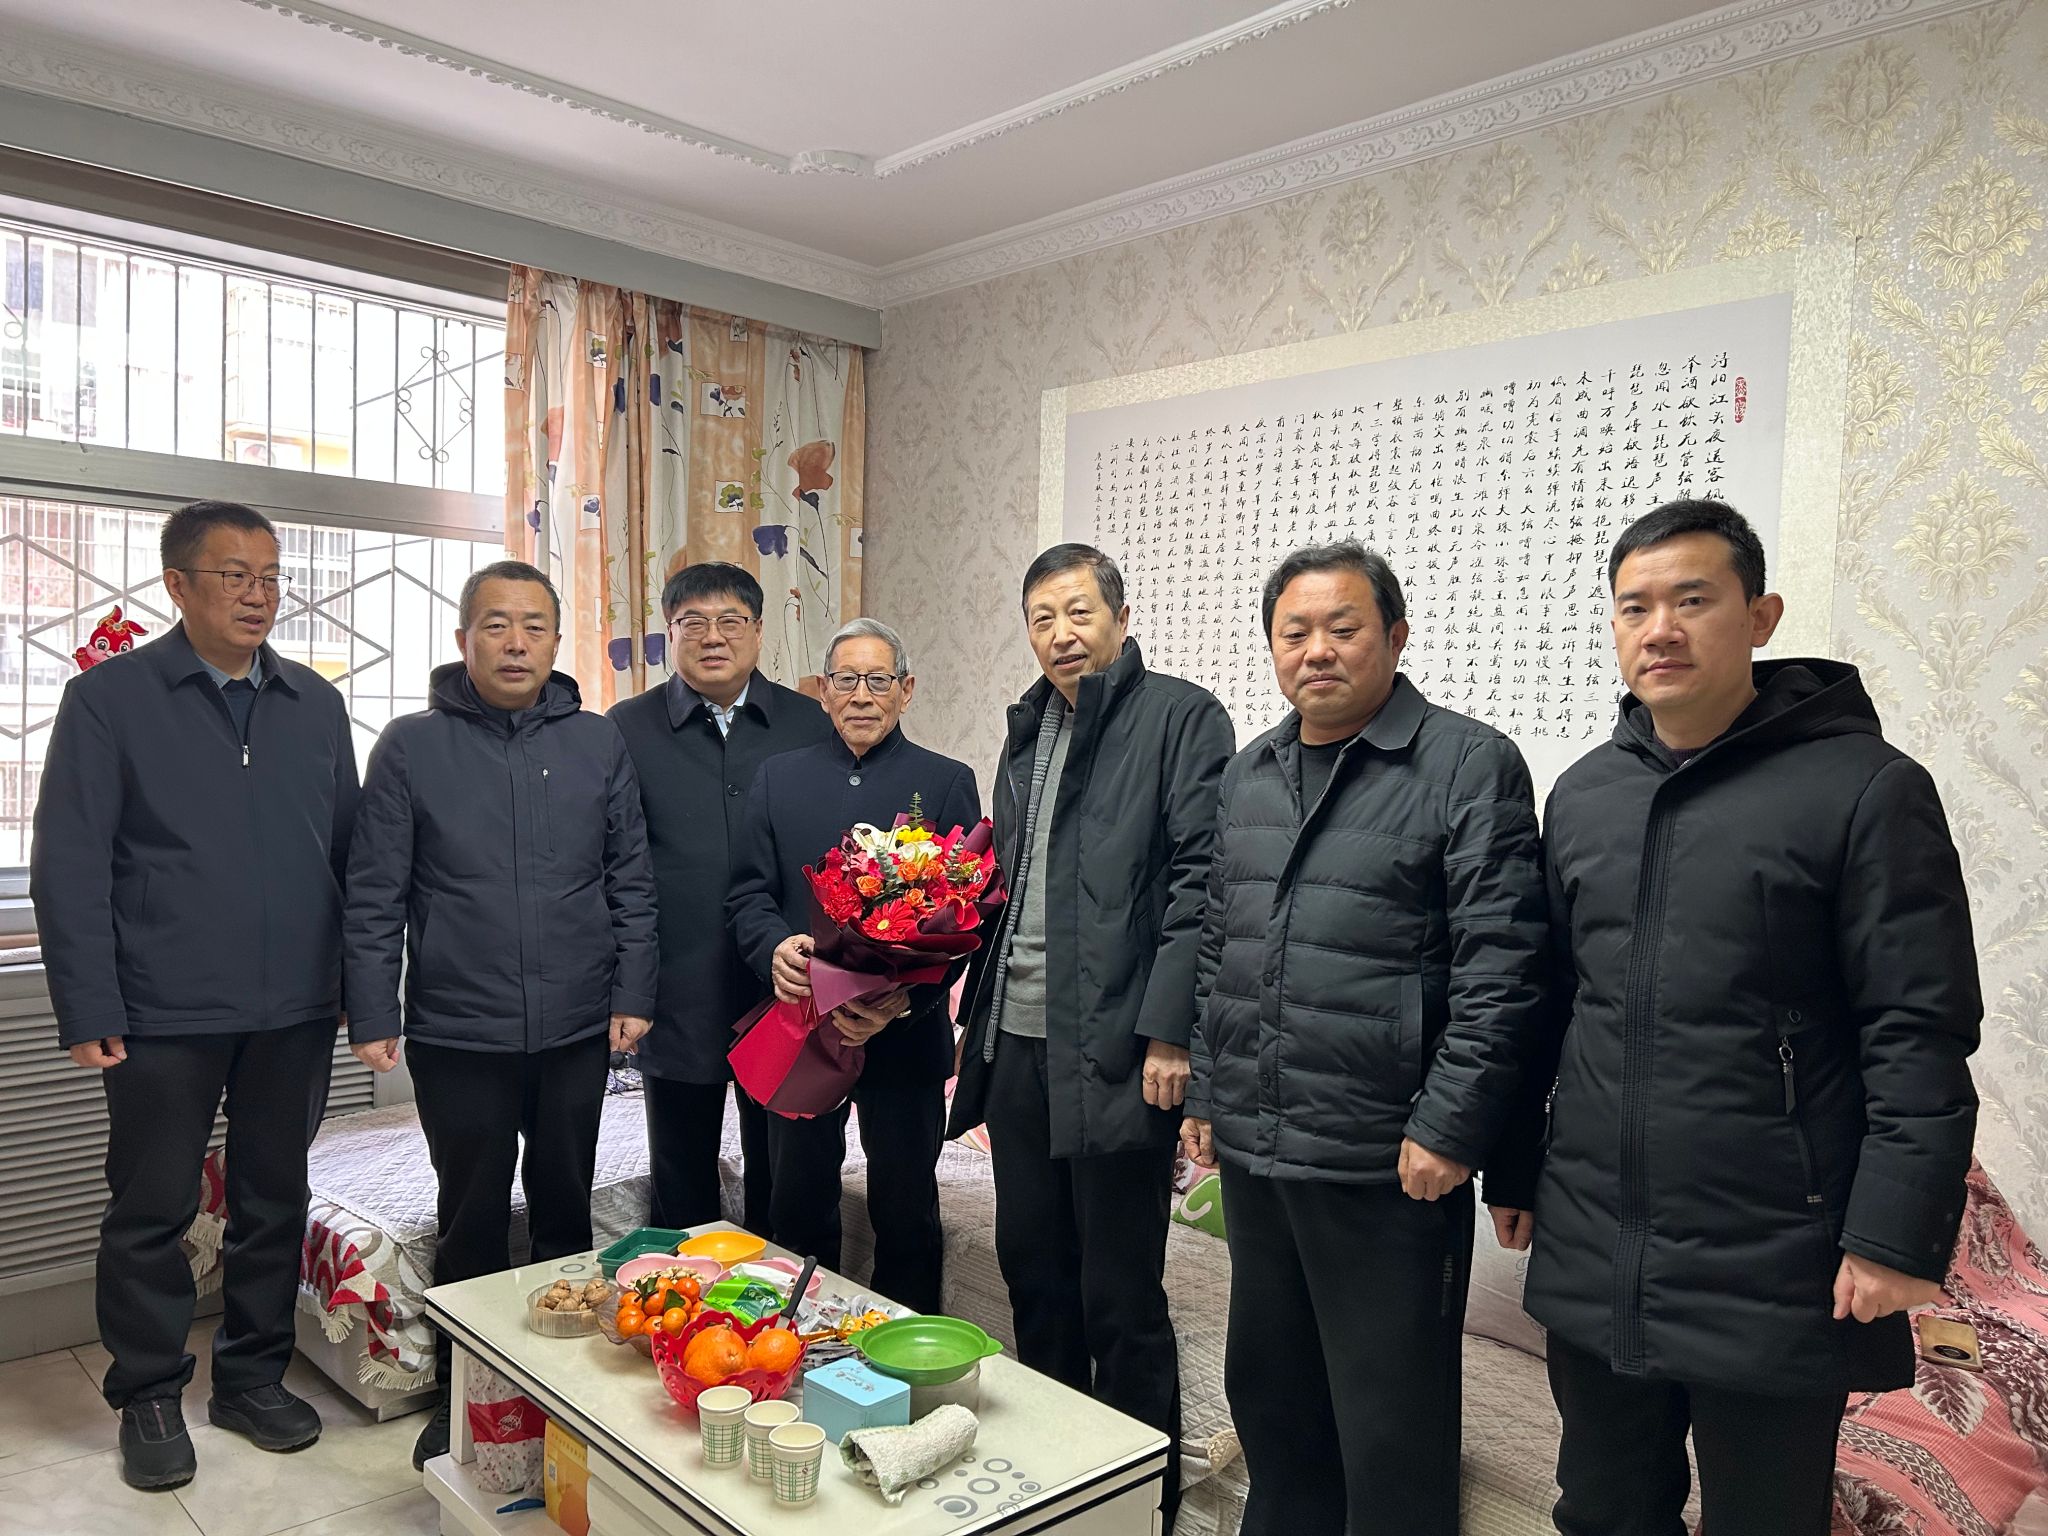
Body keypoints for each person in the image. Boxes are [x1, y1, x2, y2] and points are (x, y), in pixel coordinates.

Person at [1485, 499, 1981, 1536]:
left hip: (1776, 1254)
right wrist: (1517, 1170)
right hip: (1597, 1240)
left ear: (1760, 617)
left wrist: (1892, 1236)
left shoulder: (1866, 789)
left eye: (1692, 600)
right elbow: (1550, 1005)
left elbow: (1917, 1030)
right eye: (1634, 608)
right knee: (1602, 1511)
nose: (1659, 629)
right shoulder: (1583, 795)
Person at [1179, 540, 1548, 1536]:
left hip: (1389, 1160)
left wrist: (1449, 1126)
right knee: (1272, 1401)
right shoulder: (1250, 772)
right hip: (1260, 1148)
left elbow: (1503, 969)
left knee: (1390, 1428)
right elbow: (1218, 944)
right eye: (1293, 632)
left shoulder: (1466, 764)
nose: (1317, 650)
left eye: (1342, 628)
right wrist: (1207, 1090)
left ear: (1394, 636)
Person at [32, 501, 358, 1490]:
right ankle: (147, 1393)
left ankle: (251, 1378)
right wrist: (89, 1004)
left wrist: (353, 985)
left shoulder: (315, 703)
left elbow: (350, 857)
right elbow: (69, 864)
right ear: (178, 585)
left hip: (294, 1009)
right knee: (152, 1207)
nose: (259, 595)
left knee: (274, 1199)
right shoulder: (111, 700)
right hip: (160, 1009)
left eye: (271, 576)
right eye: (234, 575)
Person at [342, 559, 657, 1470]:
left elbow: (632, 879)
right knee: (471, 1218)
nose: (515, 643)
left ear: (557, 641)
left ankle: (565, 1391)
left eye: (533, 627)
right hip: (458, 1030)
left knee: (564, 1211)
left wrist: (634, 993)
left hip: (575, 1027)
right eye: (496, 625)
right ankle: (464, 1396)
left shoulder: (597, 742)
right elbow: (375, 893)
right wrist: (372, 1008)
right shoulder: (411, 745)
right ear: (464, 639)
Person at [948, 544, 1234, 1533]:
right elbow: (1010, 893)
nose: (1060, 634)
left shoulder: (1181, 719)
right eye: (1042, 617)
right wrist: (974, 1021)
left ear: (1119, 616)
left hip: (1117, 1052)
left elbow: (1201, 884)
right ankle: (1056, 1482)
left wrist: (1170, 1033)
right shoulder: (1025, 730)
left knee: (1120, 1294)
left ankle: (1137, 1506)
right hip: (1017, 1046)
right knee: (1033, 1273)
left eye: (1078, 612)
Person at [726, 617, 979, 1315]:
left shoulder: (946, 782)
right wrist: (772, 948)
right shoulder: (778, 778)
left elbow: (967, 915)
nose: (861, 695)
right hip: (804, 1027)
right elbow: (747, 894)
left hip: (905, 1037)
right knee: (798, 1205)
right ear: (822, 690)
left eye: (878, 680)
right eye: (845, 679)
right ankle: (798, 1341)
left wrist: (905, 1002)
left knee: (907, 1211)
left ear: (906, 689)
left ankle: (903, 1353)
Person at [610, 562, 831, 1230]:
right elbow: (612, 865)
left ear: (759, 631)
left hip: (786, 990)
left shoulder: (809, 723)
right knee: (680, 1178)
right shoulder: (626, 727)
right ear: (669, 633)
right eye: (694, 622)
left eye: (731, 620)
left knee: (786, 1178)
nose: (713, 636)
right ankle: (681, 1296)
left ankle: (780, 1293)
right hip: (677, 988)